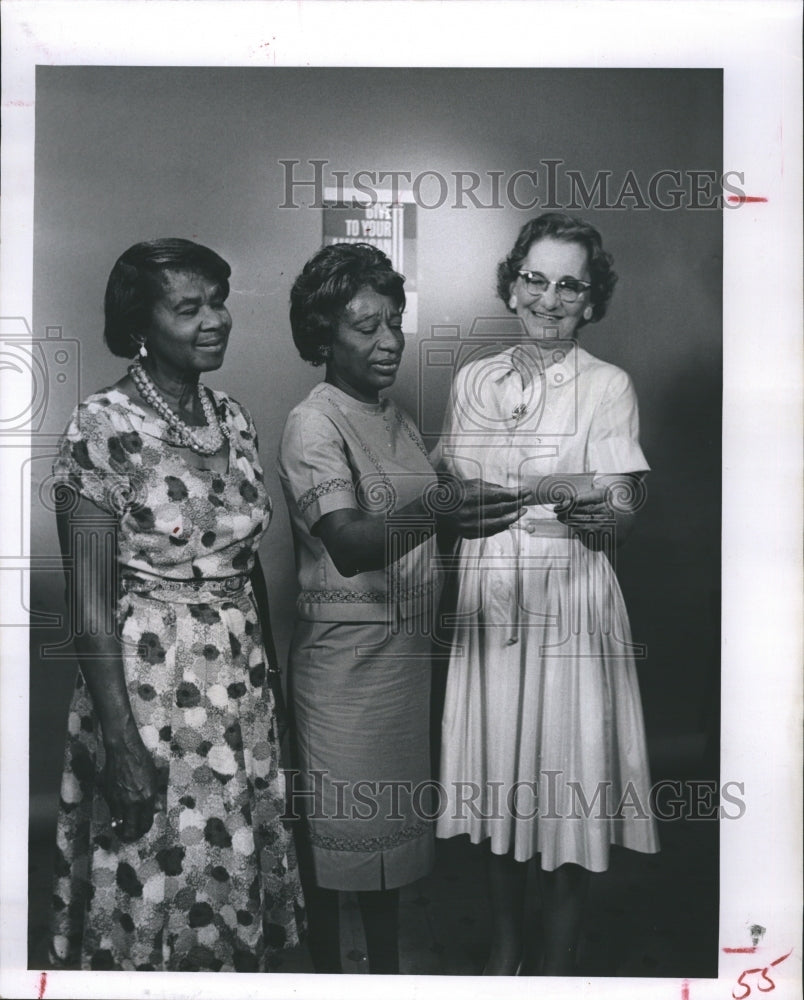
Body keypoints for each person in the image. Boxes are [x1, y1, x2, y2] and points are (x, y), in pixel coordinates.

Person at [48, 238, 305, 971]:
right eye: (189, 308)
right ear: (139, 323)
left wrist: (271, 687)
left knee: (224, 877)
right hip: (148, 694)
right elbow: (89, 602)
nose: (214, 320)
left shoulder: (234, 417)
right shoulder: (101, 426)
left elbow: (245, 565)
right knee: (149, 876)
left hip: (238, 692)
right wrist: (122, 744)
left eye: (217, 302)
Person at [278, 242, 530, 974]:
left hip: (401, 664)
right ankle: (330, 978)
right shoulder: (313, 423)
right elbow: (351, 542)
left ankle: (383, 978)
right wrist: (445, 507)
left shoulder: (395, 417)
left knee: (387, 850)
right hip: (343, 673)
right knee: (333, 850)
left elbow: (442, 492)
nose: (390, 341)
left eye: (395, 322)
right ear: (323, 335)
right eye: (366, 327)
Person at [435, 213, 659, 975]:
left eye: (571, 285)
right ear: (512, 284)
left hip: (570, 600)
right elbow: (451, 488)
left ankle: (559, 961)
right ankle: (506, 953)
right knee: (500, 778)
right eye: (536, 278)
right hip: (492, 596)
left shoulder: (607, 385)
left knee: (563, 781)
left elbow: (623, 502)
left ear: (592, 301)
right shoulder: (472, 381)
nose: (550, 298)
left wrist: (608, 510)